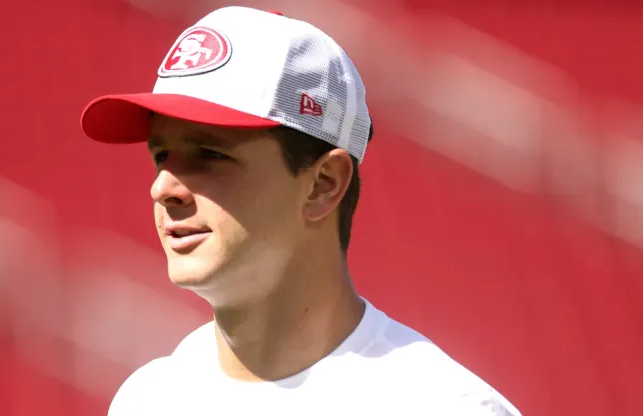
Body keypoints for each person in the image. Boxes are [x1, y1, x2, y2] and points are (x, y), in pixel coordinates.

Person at [80, 6, 521, 415]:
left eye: (211, 155)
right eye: (161, 156)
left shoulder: (442, 406)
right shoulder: (150, 399)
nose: (164, 187)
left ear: (323, 185)